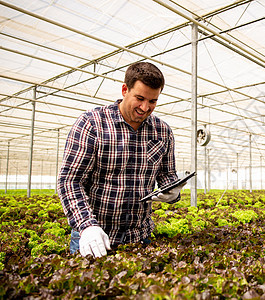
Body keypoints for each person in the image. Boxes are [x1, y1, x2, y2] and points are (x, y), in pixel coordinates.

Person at [57, 62, 184, 258]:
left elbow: (167, 175)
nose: (145, 107)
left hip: (141, 238)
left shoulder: (163, 131)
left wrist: (173, 191)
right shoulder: (92, 123)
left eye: (152, 101)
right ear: (125, 90)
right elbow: (70, 181)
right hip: (95, 239)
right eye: (140, 98)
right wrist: (87, 226)